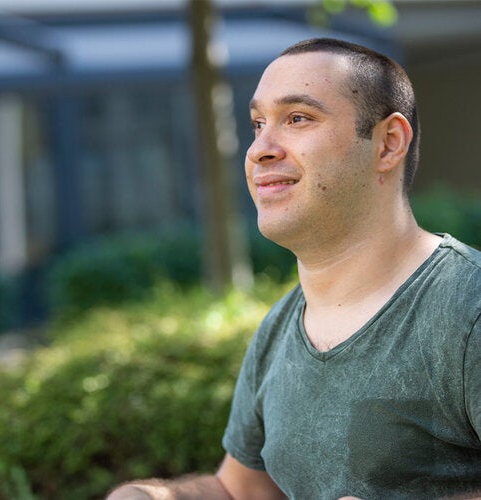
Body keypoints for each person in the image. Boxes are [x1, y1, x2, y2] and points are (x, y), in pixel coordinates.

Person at [107, 37, 481, 499]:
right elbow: (243, 490)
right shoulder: (279, 328)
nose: (260, 149)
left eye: (297, 118)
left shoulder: (468, 308)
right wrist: (159, 498)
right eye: (257, 124)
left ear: (388, 143)